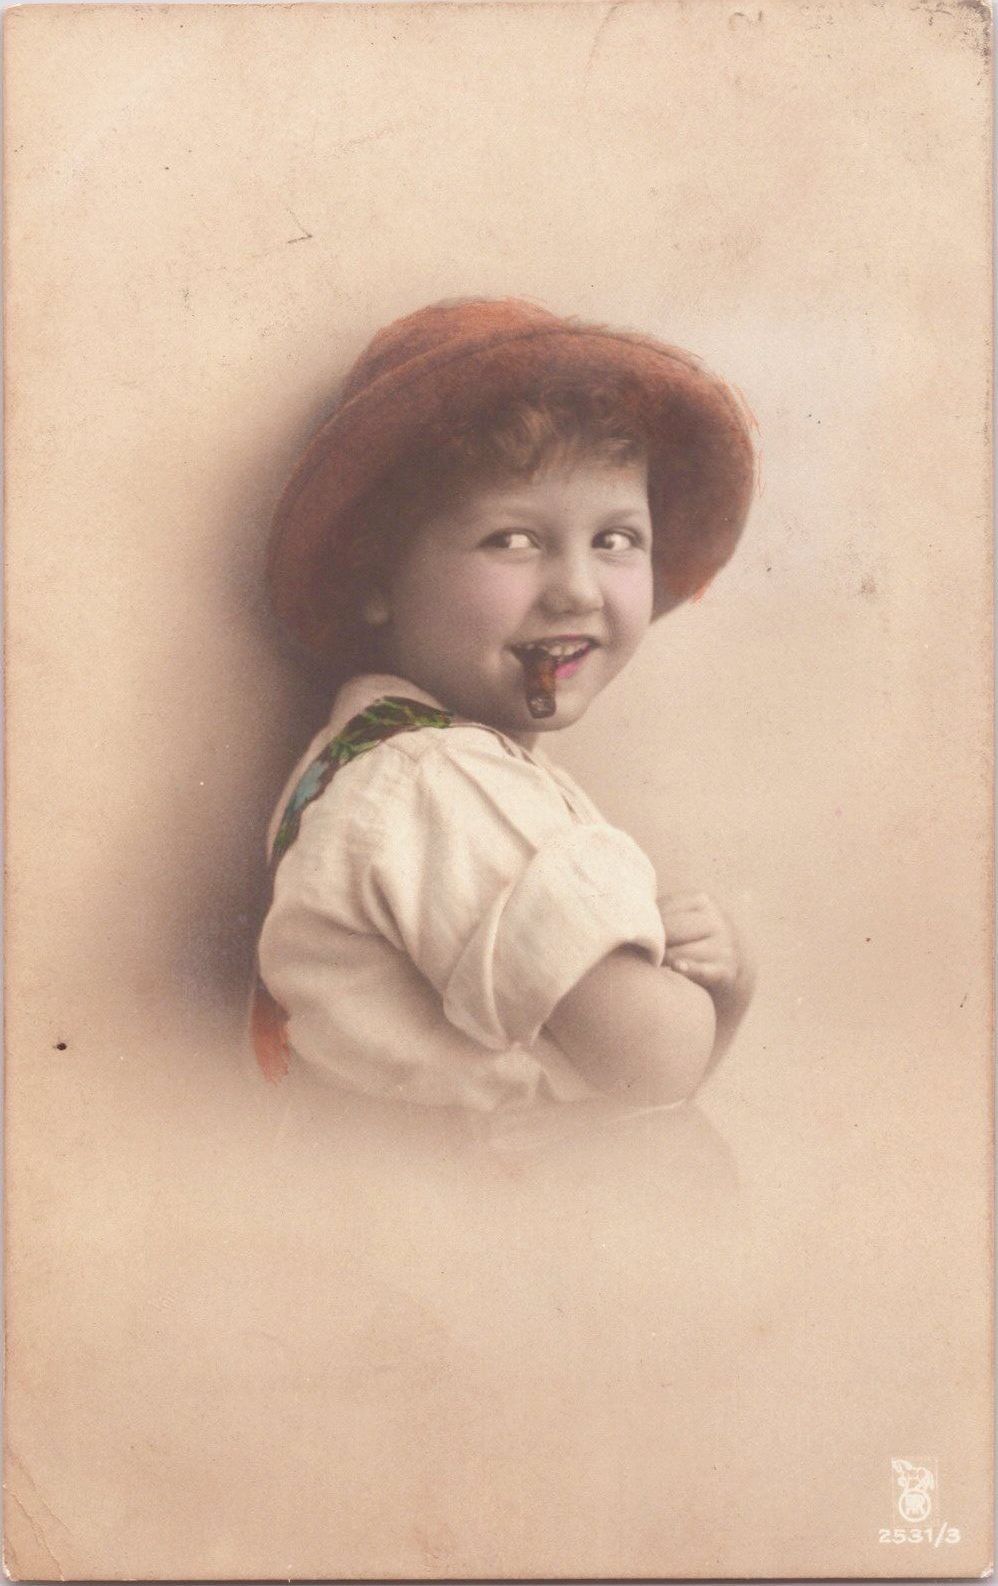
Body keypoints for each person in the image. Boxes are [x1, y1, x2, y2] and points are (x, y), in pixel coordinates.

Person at [252, 297, 757, 1137]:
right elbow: (652, 1065)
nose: (577, 589)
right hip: (478, 1215)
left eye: (617, 539)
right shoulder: (439, 783)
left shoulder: (401, 761)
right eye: (514, 541)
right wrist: (727, 990)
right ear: (379, 576)